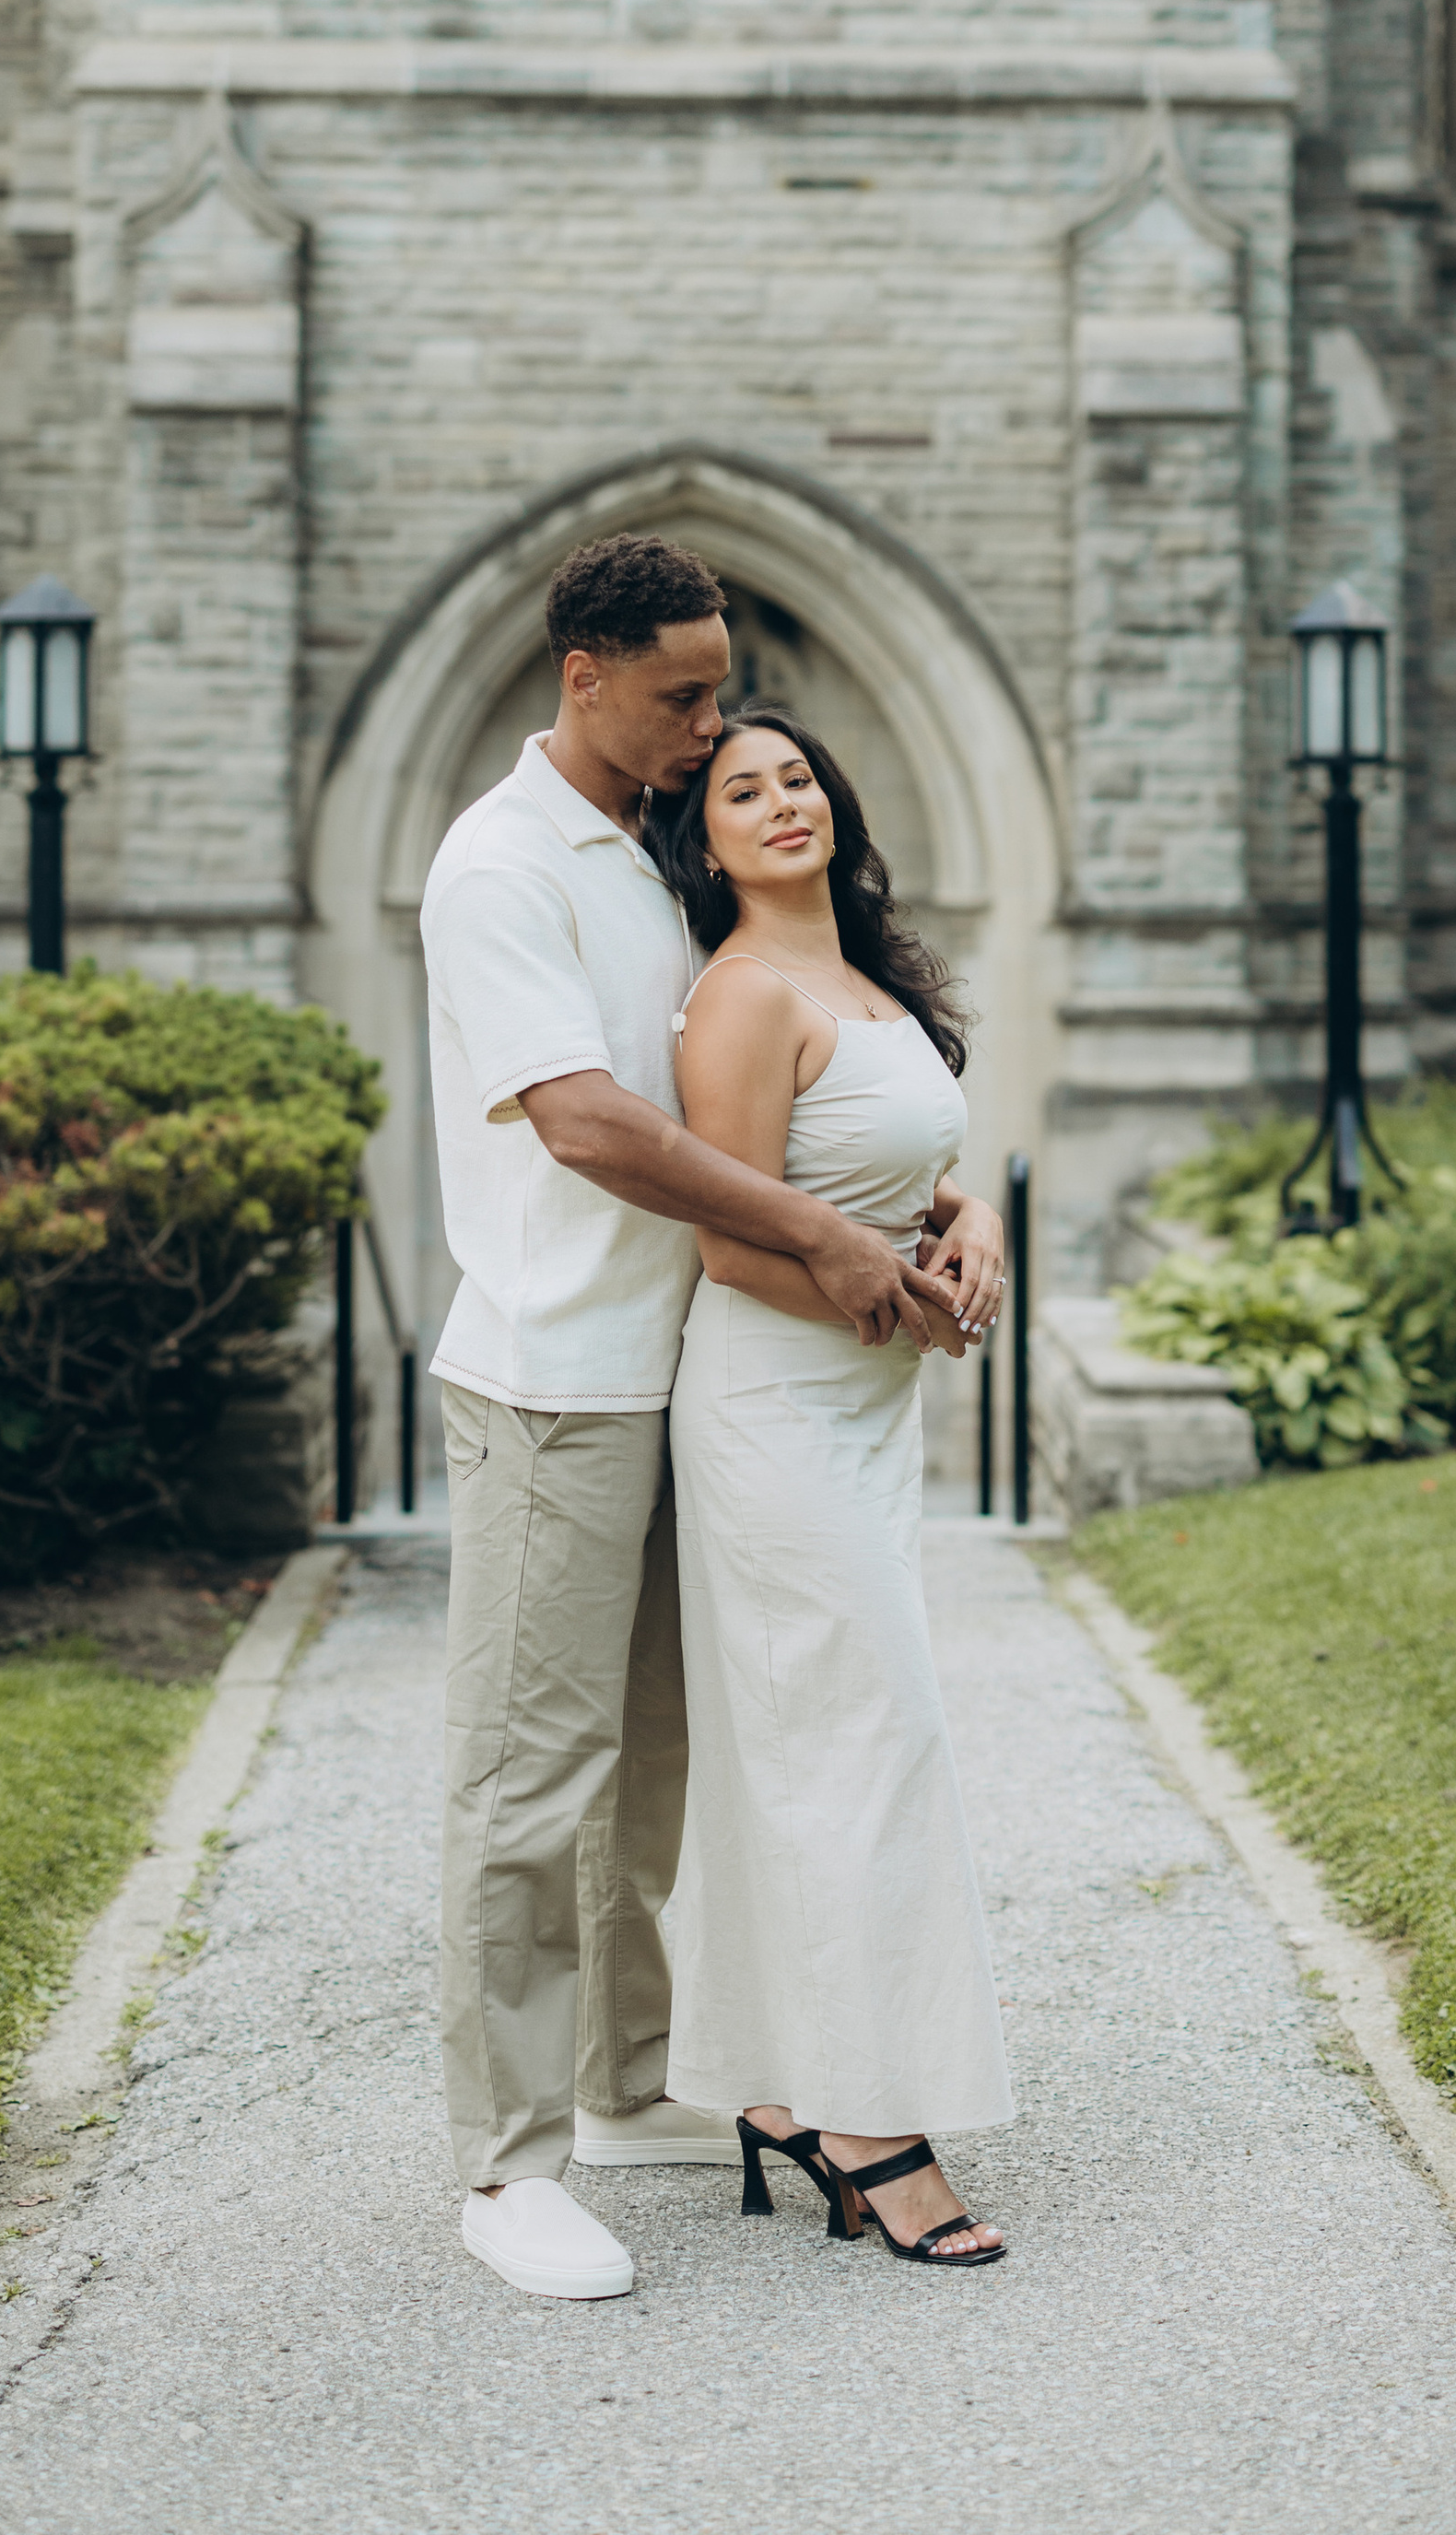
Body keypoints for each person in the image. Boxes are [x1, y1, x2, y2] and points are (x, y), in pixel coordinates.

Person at [419, 534, 1001, 2303]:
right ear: (580, 676)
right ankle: (506, 2169)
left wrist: (927, 1213)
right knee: (534, 1777)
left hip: (702, 1378)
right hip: (559, 1376)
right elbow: (587, 1123)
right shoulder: (500, 863)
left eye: (722, 686)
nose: (712, 720)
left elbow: (825, 1103)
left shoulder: (667, 857)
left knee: (664, 1768)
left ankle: (621, 2086)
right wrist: (829, 1239)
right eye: (683, 695)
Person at [646, 706, 1015, 2269]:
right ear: (707, 840)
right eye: (743, 791)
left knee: (812, 1742)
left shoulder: (862, 980)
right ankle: (868, 2132)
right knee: (864, 1735)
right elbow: (734, 1239)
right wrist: (910, 1306)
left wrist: (972, 1207)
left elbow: (885, 1161)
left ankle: (783, 2091)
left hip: (864, 1416)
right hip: (776, 1407)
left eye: (796, 777)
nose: (780, 802)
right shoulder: (735, 998)